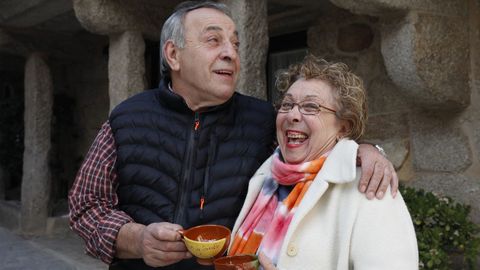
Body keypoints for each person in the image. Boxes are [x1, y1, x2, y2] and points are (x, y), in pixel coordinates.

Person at [68, 1, 398, 270]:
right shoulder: (128, 117)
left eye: (235, 44)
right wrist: (136, 239)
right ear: (173, 55)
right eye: (214, 40)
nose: (231, 53)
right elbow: (85, 206)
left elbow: (318, 151)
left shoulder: (263, 121)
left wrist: (364, 150)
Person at [228, 55, 418, 269]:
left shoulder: (370, 188)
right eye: (287, 104)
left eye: (311, 107)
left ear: (344, 127)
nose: (293, 115)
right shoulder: (266, 178)